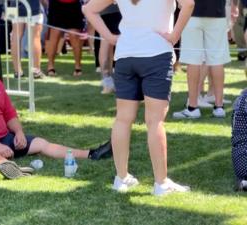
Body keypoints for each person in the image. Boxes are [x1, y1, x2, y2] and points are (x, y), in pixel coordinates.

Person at [0, 35, 113, 179]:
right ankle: (9, 168)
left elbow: (9, 113)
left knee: (41, 143)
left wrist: (19, 132)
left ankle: (91, 153)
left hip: (1, 137)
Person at [83, 0, 194, 195]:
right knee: (154, 121)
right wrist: (175, 35)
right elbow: (190, 3)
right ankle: (161, 183)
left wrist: (109, 36)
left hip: (126, 55)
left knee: (123, 119)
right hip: (157, 54)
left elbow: (88, 9)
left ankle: (122, 177)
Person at [173, 0, 239, 119]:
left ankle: (193, 107)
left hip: (192, 12)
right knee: (217, 60)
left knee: (193, 60)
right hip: (217, 13)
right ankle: (219, 107)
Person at [46, 0, 84, 77]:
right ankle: (50, 66)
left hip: (74, 4)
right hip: (56, 4)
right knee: (54, 36)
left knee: (74, 36)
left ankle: (78, 67)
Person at [8, 0, 45, 78]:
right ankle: (36, 71)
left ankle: (17, 71)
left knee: (15, 36)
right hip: (32, 5)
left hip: (13, 5)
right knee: (35, 37)